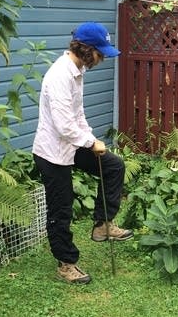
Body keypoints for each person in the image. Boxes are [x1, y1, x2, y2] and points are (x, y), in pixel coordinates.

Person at [32, 22, 133, 284]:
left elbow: (77, 115)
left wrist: (91, 138)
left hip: (72, 145)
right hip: (53, 153)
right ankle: (66, 264)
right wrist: (89, 143)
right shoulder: (60, 76)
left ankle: (102, 225)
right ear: (86, 49)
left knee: (113, 166)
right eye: (100, 53)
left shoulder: (78, 71)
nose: (102, 58)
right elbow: (64, 125)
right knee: (61, 209)